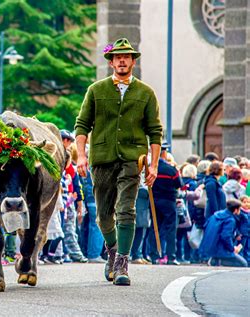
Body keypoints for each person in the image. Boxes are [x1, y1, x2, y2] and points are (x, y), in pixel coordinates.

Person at [75, 38, 162, 286]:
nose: (122, 60)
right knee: (103, 216)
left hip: (132, 160)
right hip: (101, 159)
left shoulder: (146, 93)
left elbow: (155, 131)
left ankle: (123, 262)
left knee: (126, 209)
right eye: (117, 56)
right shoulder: (96, 90)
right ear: (111, 61)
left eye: (126, 56)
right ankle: (112, 251)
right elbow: (82, 125)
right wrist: (81, 155)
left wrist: (153, 165)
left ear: (133, 61)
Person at [199, 199, 248, 267]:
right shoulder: (230, 220)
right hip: (220, 250)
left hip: (208, 248)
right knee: (243, 264)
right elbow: (225, 236)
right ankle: (217, 261)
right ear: (236, 210)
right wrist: (233, 249)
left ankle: (215, 260)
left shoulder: (215, 215)